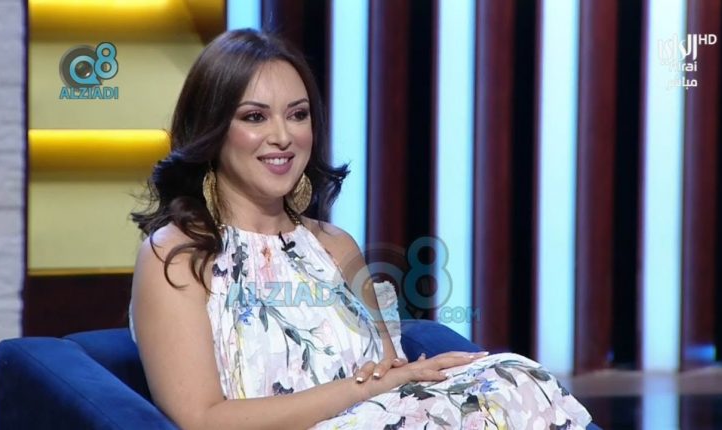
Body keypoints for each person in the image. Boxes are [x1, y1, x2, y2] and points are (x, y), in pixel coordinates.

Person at [129, 29, 592, 429]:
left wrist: (419, 379)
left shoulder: (334, 245)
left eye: (298, 114)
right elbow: (202, 419)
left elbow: (390, 376)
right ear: (211, 129)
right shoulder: (177, 256)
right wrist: (366, 388)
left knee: (513, 376)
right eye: (255, 117)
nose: (283, 136)